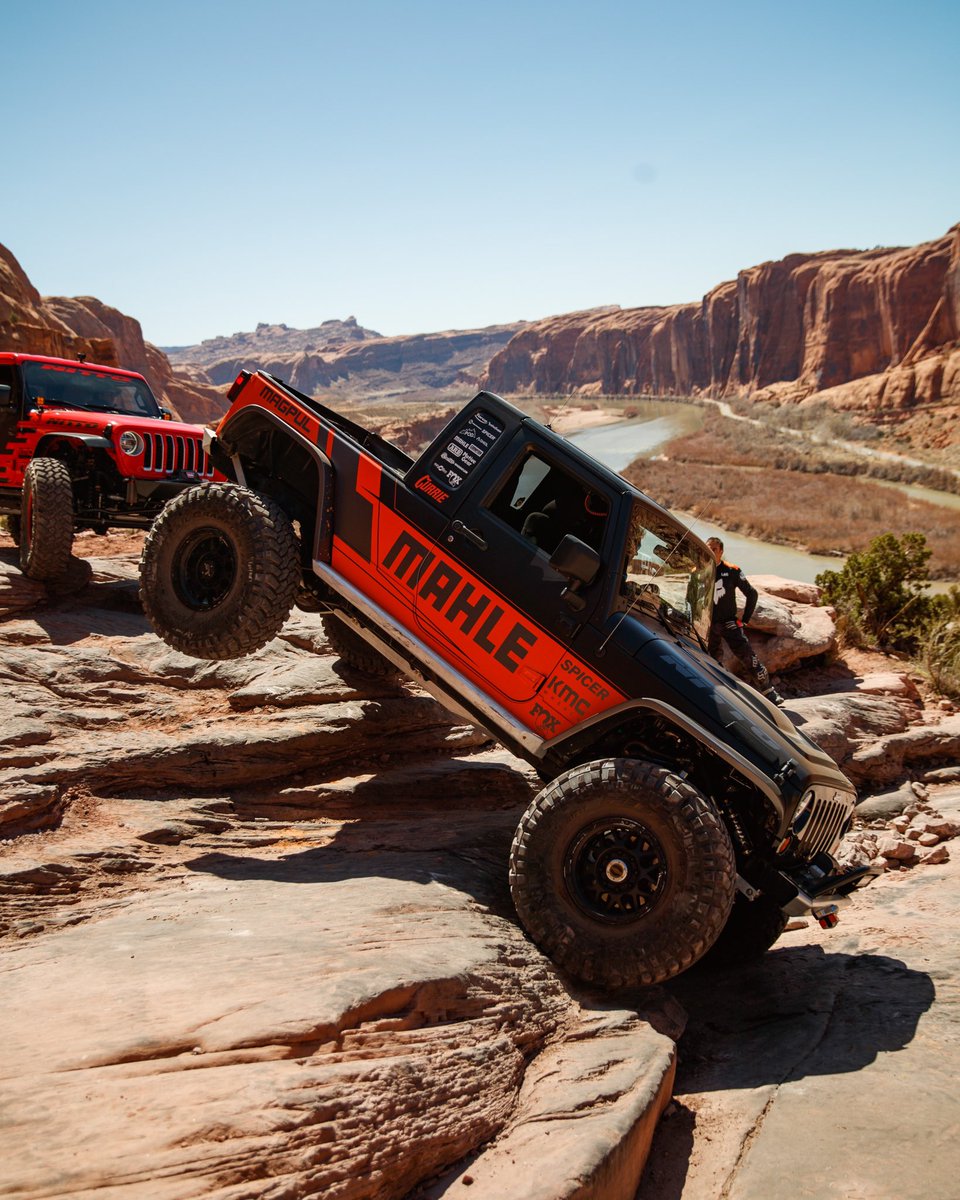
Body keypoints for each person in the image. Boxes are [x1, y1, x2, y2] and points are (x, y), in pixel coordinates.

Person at [706, 537, 783, 706]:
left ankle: (769, 693)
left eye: (713, 549)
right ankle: (713, 693)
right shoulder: (700, 569)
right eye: (708, 548)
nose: (710, 551)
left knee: (749, 657)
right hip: (708, 624)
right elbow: (691, 593)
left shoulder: (732, 570)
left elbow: (752, 594)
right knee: (710, 659)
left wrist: (744, 621)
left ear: (721, 551)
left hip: (729, 623)